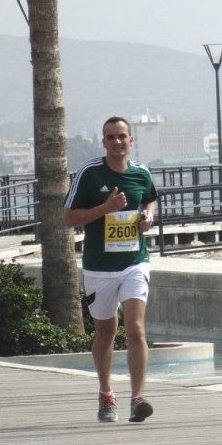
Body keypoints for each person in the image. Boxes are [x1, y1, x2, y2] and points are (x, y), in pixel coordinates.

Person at [65, 117, 158, 424]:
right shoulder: (90, 174)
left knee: (136, 329)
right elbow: (69, 217)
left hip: (134, 261)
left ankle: (138, 398)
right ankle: (106, 393)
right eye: (111, 137)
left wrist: (148, 217)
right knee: (106, 331)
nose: (117, 142)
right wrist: (105, 208)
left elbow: (151, 200)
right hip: (99, 268)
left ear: (131, 140)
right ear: (103, 142)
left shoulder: (141, 173)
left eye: (122, 136)